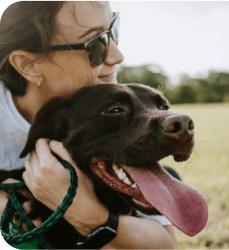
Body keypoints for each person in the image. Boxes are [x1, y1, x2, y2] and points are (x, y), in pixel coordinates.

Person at [0, 1, 178, 249]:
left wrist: (89, 214)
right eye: (96, 44)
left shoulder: (101, 98)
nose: (117, 56)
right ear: (29, 65)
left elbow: (166, 245)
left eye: (113, 30)